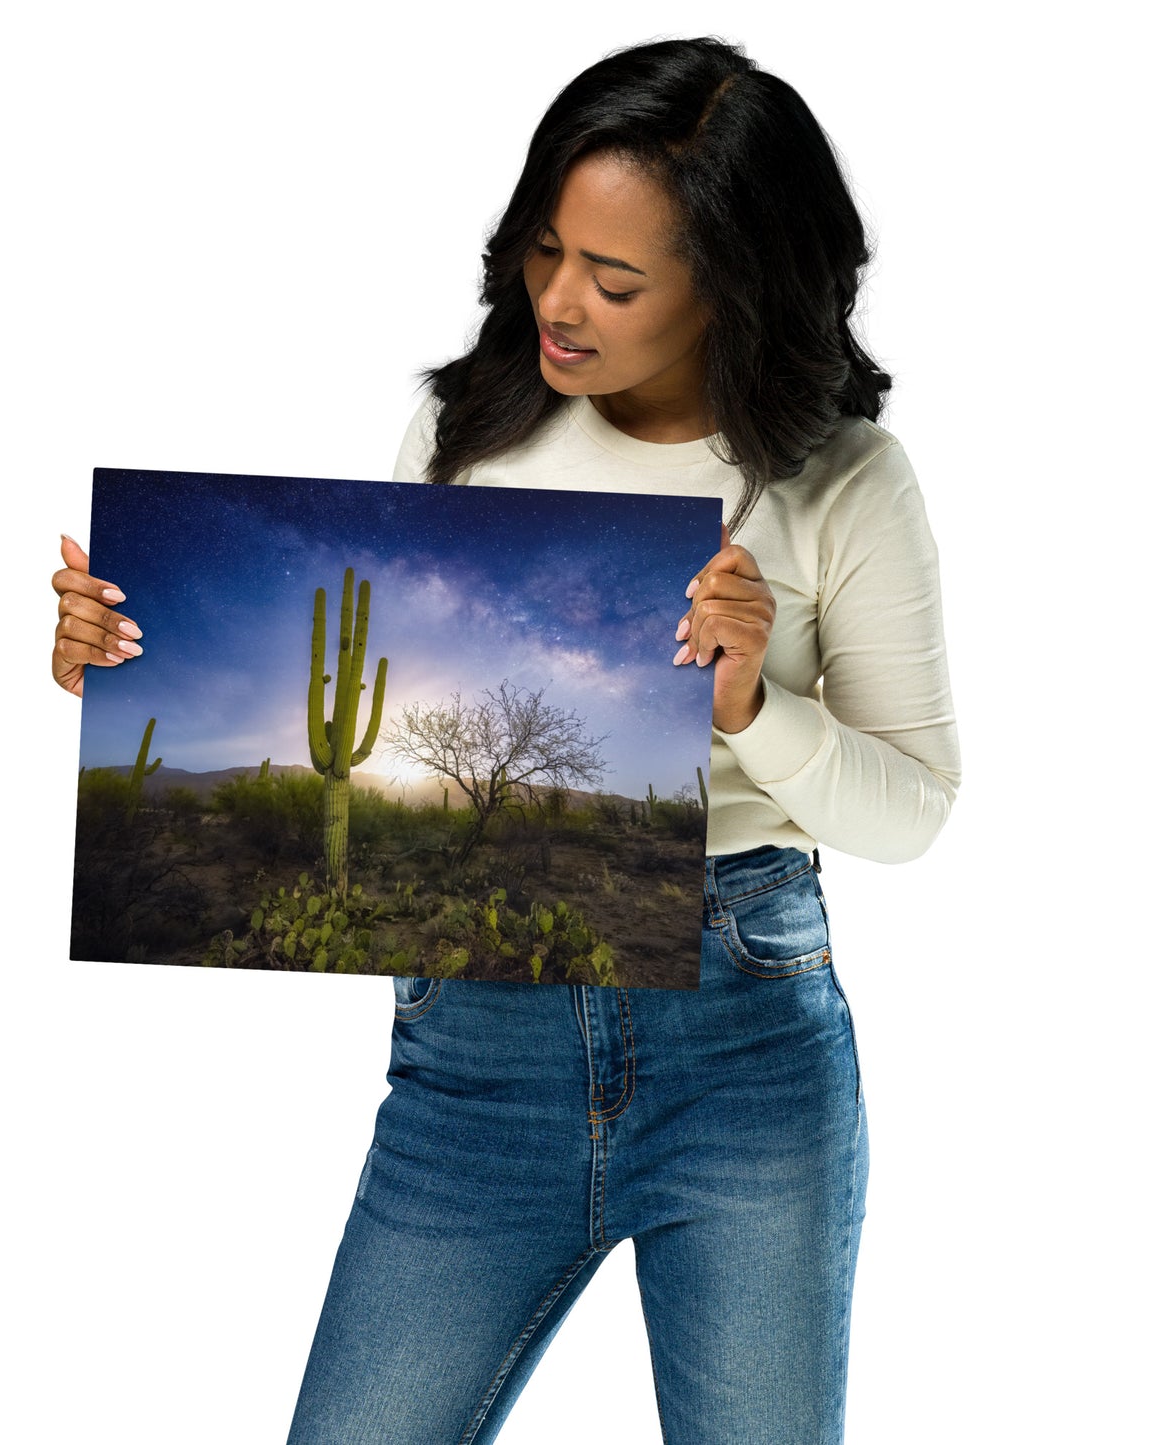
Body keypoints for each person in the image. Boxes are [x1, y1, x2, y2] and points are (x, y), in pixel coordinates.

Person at [52, 36, 960, 1443]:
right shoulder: (461, 424)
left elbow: (912, 811)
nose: (557, 301)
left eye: (613, 277)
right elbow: (353, 697)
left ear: (731, 281)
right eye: (544, 250)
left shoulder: (843, 479)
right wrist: (120, 657)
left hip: (744, 1051)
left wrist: (749, 708)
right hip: (469, 1063)